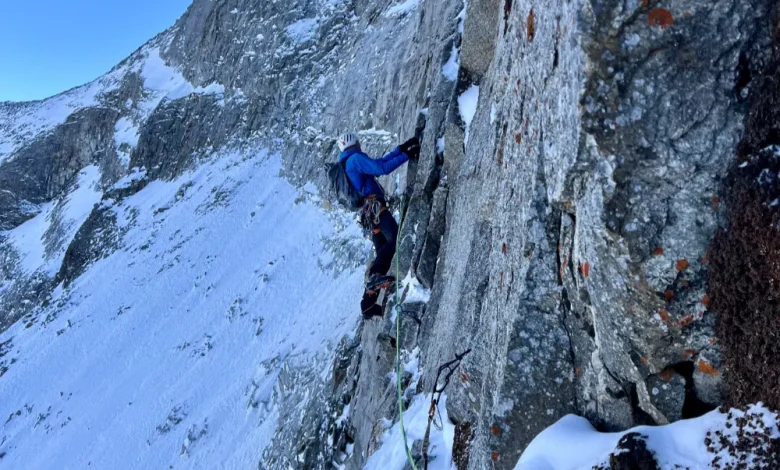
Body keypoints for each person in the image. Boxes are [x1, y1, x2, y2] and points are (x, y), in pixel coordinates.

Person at [336, 132, 420, 318]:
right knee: (396, 238)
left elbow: (379, 164)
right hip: (375, 208)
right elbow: (381, 167)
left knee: (383, 253)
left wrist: (400, 149)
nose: (360, 146)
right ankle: (374, 279)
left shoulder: (346, 164)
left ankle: (368, 305)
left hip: (367, 214)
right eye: (358, 143)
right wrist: (407, 155)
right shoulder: (355, 159)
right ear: (354, 144)